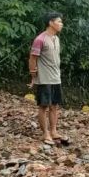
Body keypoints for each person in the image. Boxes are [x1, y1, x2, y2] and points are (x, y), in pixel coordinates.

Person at [28, 12, 66, 146]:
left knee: (54, 105)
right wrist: (33, 75)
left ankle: (54, 131)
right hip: (44, 78)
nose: (61, 24)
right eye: (59, 22)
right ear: (51, 22)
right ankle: (45, 133)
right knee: (43, 106)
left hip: (56, 77)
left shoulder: (56, 38)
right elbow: (33, 58)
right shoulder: (40, 39)